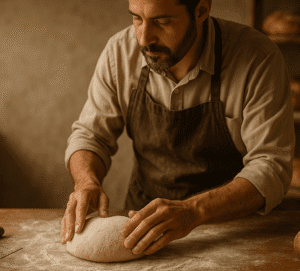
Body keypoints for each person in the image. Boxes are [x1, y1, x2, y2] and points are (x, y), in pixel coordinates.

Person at [61, 0, 295, 256]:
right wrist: (86, 181)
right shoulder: (120, 51)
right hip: (142, 225)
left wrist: (194, 210)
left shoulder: (256, 57)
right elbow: (90, 135)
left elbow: (271, 165)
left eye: (162, 22)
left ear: (201, 11)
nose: (144, 39)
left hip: (234, 232)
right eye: (137, 18)